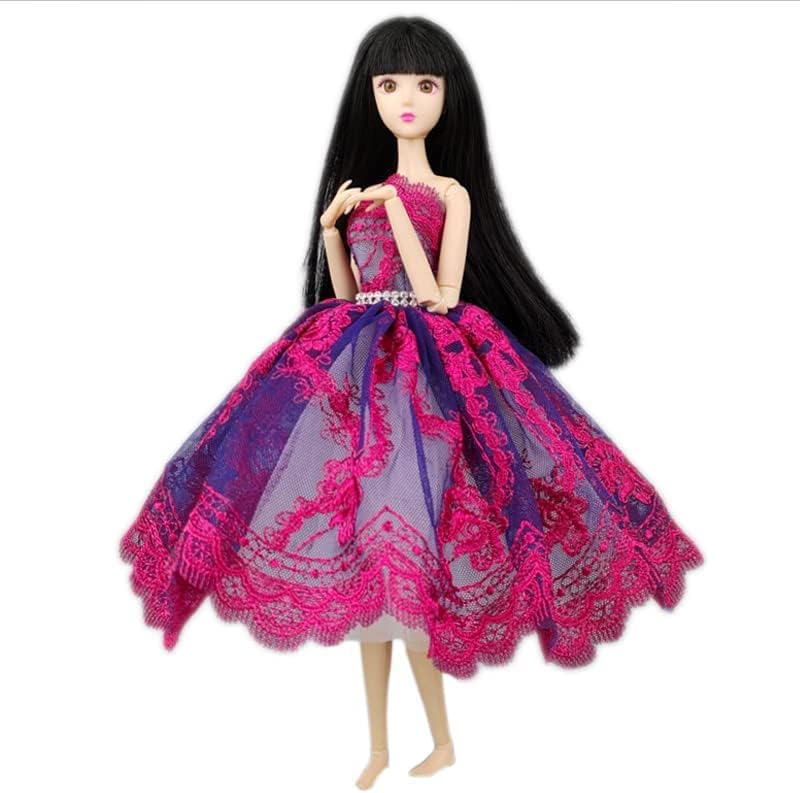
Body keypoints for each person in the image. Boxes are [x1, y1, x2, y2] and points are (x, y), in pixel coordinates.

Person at [120, 16, 704, 788]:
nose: (406, 98)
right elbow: (344, 292)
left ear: (447, 97)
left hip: (427, 369)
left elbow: (439, 293)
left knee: (413, 567)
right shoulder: (356, 195)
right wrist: (334, 228)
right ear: (368, 94)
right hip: (356, 362)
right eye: (390, 83)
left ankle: (440, 739)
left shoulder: (450, 194)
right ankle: (376, 746)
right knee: (369, 580)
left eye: (425, 84)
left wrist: (395, 208)